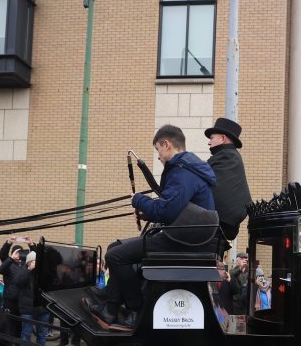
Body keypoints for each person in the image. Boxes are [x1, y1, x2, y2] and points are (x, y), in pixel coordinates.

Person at [84, 124, 219, 331]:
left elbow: (166, 211)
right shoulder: (190, 168)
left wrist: (138, 200)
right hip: (185, 236)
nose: (158, 156)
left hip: (182, 240)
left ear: (167, 144)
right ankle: (110, 307)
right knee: (113, 248)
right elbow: (175, 208)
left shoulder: (182, 171)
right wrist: (148, 211)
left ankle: (135, 311)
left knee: (115, 257)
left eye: (158, 150)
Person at [205, 117, 253, 245]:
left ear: (222, 138)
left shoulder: (226, 156)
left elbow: (205, 187)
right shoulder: (230, 156)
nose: (209, 143)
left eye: (212, 138)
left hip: (218, 226)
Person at [8, 251, 50, 346]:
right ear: (29, 262)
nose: (36, 263)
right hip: (27, 309)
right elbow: (17, 282)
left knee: (42, 334)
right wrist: (29, 270)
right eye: (34, 261)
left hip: (42, 309)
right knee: (26, 334)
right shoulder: (23, 270)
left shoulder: (43, 273)